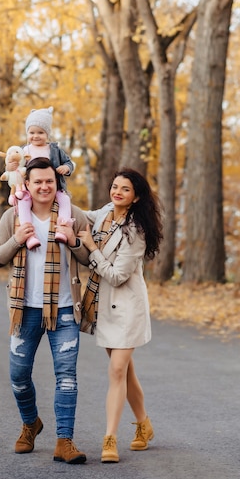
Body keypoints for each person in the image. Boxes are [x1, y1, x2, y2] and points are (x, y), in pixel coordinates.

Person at [0, 157, 89, 464]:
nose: (44, 186)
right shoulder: (13, 217)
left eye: (49, 181)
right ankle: (31, 423)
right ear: (27, 185)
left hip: (65, 310)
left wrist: (74, 240)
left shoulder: (73, 215)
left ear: (56, 184)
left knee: (67, 376)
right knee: (18, 377)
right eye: (38, 181)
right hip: (25, 310)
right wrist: (17, 240)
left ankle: (64, 442)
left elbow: (88, 256)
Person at [78, 168, 163, 463]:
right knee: (126, 372)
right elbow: (83, 214)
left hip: (126, 308)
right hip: (105, 307)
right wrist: (55, 194)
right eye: (115, 186)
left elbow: (116, 276)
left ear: (136, 196)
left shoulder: (136, 230)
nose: (117, 192)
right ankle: (144, 424)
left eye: (125, 189)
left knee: (116, 371)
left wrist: (90, 247)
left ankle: (109, 439)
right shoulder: (106, 213)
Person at [6, 106, 75, 249]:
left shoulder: (54, 150)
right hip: (28, 188)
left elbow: (69, 162)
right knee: (23, 205)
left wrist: (66, 168)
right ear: (27, 133)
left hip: (52, 186)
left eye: (40, 132)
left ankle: (62, 228)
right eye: (31, 132)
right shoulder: (24, 150)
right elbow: (14, 167)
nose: (35, 136)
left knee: (65, 200)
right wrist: (10, 168)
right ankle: (29, 235)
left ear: (47, 134)